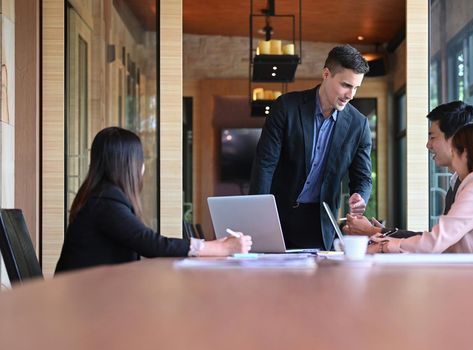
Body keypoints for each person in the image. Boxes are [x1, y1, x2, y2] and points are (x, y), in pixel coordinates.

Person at [56, 127, 252, 273]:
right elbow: (150, 244)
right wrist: (221, 247)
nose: (143, 167)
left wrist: (215, 246)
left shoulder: (102, 195)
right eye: (141, 160)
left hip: (90, 292)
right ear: (129, 164)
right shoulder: (105, 201)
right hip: (83, 301)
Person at [346, 122, 473, 263]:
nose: (454, 165)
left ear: (467, 154)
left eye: (454, 154)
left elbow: (439, 239)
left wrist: (386, 246)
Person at [249, 44, 373, 250]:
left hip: (320, 222)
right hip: (278, 217)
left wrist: (360, 196)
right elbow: (265, 165)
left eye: (356, 88)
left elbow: (363, 178)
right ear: (326, 74)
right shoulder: (286, 107)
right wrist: (258, 218)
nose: (350, 94)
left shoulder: (358, 124)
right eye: (346, 85)